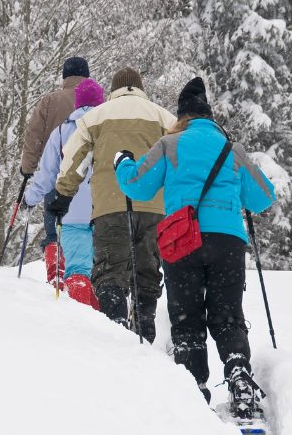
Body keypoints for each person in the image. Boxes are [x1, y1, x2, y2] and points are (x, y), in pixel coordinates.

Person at [113, 76, 276, 415]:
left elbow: (137, 186)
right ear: (210, 118)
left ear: (182, 117)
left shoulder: (170, 144)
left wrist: (122, 162)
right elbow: (263, 198)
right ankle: (238, 374)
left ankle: (193, 390)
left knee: (186, 318)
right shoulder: (231, 150)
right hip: (227, 242)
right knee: (228, 316)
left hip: (182, 241)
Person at [46, 67, 176, 343]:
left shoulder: (96, 117)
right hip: (154, 209)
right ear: (140, 88)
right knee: (147, 272)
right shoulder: (163, 117)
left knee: (110, 274)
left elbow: (73, 160)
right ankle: (145, 329)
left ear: (114, 89)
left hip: (110, 208)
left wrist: (62, 196)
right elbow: (180, 159)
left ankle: (115, 333)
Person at [23, 79, 105, 309]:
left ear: (77, 103)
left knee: (77, 268)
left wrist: (30, 199)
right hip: (106, 210)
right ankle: (109, 323)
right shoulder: (109, 130)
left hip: (72, 210)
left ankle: (81, 318)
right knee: (106, 273)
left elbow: (47, 175)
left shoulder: (61, 132)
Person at [20, 57, 89, 279]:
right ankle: (84, 279)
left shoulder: (50, 101)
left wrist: (28, 168)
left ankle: (55, 270)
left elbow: (34, 135)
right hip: (92, 182)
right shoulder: (99, 103)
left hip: (56, 175)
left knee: (54, 231)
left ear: (64, 76)